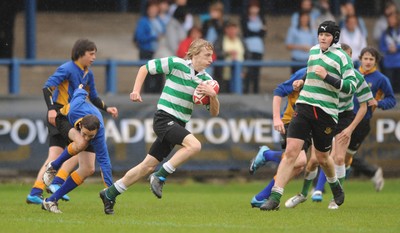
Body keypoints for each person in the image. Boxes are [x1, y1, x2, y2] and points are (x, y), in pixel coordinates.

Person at [98, 39, 220, 215]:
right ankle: (160, 176)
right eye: (207, 55)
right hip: (164, 118)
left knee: (146, 166)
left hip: (178, 123)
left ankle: (110, 193)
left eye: (212, 56)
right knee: (194, 145)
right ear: (194, 53)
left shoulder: (207, 81)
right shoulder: (176, 63)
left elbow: (214, 113)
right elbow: (145, 68)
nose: (211, 59)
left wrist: (213, 96)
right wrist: (136, 90)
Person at [260, 20, 357, 211]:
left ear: (335, 38)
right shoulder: (313, 51)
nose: (322, 37)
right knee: (291, 152)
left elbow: (351, 87)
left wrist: (327, 77)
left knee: (321, 157)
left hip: (326, 113)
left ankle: (335, 185)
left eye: (327, 35)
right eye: (320, 34)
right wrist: (302, 81)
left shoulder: (342, 58)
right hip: (304, 106)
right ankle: (275, 197)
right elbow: (312, 74)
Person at [26, 39, 118, 205]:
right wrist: (51, 109)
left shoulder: (88, 73)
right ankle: (54, 184)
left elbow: (94, 97)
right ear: (80, 53)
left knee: (80, 157)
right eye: (91, 54)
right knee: (76, 147)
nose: (94, 57)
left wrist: (107, 108)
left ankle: (38, 190)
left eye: (95, 54)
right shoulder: (67, 68)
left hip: (76, 117)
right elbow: (47, 88)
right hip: (62, 114)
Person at [285, 43, 374, 210]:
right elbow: (308, 78)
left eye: (346, 57)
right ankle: (303, 194)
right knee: (313, 161)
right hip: (324, 114)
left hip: (343, 117)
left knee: (339, 158)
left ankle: (335, 198)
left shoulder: (356, 77)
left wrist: (350, 129)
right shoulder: (323, 71)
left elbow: (364, 106)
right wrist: (301, 82)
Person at [41, 85, 115, 214]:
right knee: (81, 143)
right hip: (63, 118)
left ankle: (51, 200)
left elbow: (105, 161)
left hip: (84, 124)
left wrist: (110, 190)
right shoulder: (75, 110)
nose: (87, 138)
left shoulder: (99, 133)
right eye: (85, 133)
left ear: (97, 132)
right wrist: (80, 88)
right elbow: (79, 94)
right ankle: (53, 166)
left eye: (90, 136)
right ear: (80, 125)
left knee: (88, 169)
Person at [248, 67, 309, 208]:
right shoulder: (305, 72)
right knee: (299, 160)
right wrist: (276, 118)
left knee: (298, 166)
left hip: (311, 123)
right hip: (292, 120)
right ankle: (267, 154)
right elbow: (279, 91)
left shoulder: (335, 76)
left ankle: (261, 197)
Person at [134, 0, 165, 93]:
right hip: (146, 52)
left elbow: (164, 33)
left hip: (158, 53)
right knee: (147, 78)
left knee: (159, 77)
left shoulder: (159, 21)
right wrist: (154, 37)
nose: (153, 11)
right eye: (151, 9)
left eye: (155, 9)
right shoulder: (143, 21)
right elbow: (139, 37)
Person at [214, 21, 248, 93]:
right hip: (223, 74)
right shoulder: (220, 40)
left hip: (239, 73)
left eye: (234, 29)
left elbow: (247, 55)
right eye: (230, 29)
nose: (232, 31)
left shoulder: (241, 40)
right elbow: (215, 52)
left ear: (237, 30)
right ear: (226, 30)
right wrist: (227, 53)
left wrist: (244, 70)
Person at [241, 0, 267, 94]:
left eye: (256, 7)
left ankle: (256, 91)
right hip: (248, 48)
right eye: (252, 7)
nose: (254, 9)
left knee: (256, 71)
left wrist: (255, 32)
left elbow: (263, 33)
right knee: (248, 70)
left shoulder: (261, 19)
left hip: (259, 48)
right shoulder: (244, 18)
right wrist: (258, 31)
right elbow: (246, 32)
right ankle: (246, 90)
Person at [379, 10, 400, 93]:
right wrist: (388, 49)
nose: (391, 21)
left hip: (398, 62)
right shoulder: (385, 33)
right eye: (389, 19)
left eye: (393, 19)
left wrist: (397, 48)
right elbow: (381, 47)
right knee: (390, 86)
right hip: (389, 63)